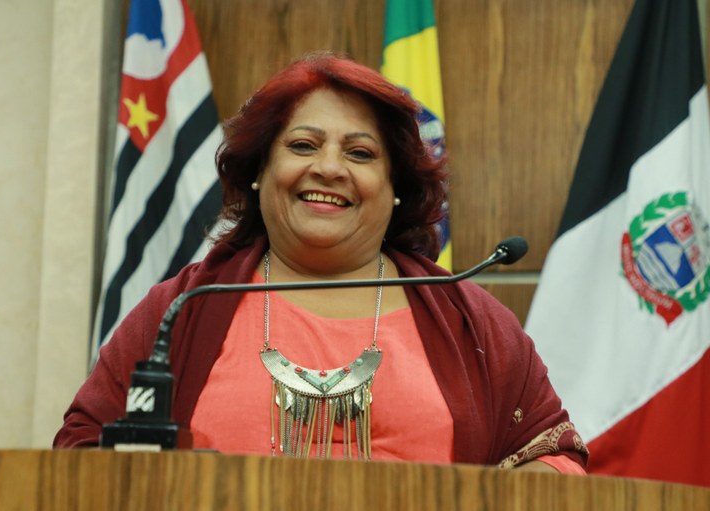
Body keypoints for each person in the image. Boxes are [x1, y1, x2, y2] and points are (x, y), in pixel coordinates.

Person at [55, 53, 588, 472]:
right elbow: (83, 449)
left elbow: (552, 455)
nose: (329, 168)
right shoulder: (180, 309)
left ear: (395, 186)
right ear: (259, 171)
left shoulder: (469, 318)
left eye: (360, 153)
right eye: (303, 145)